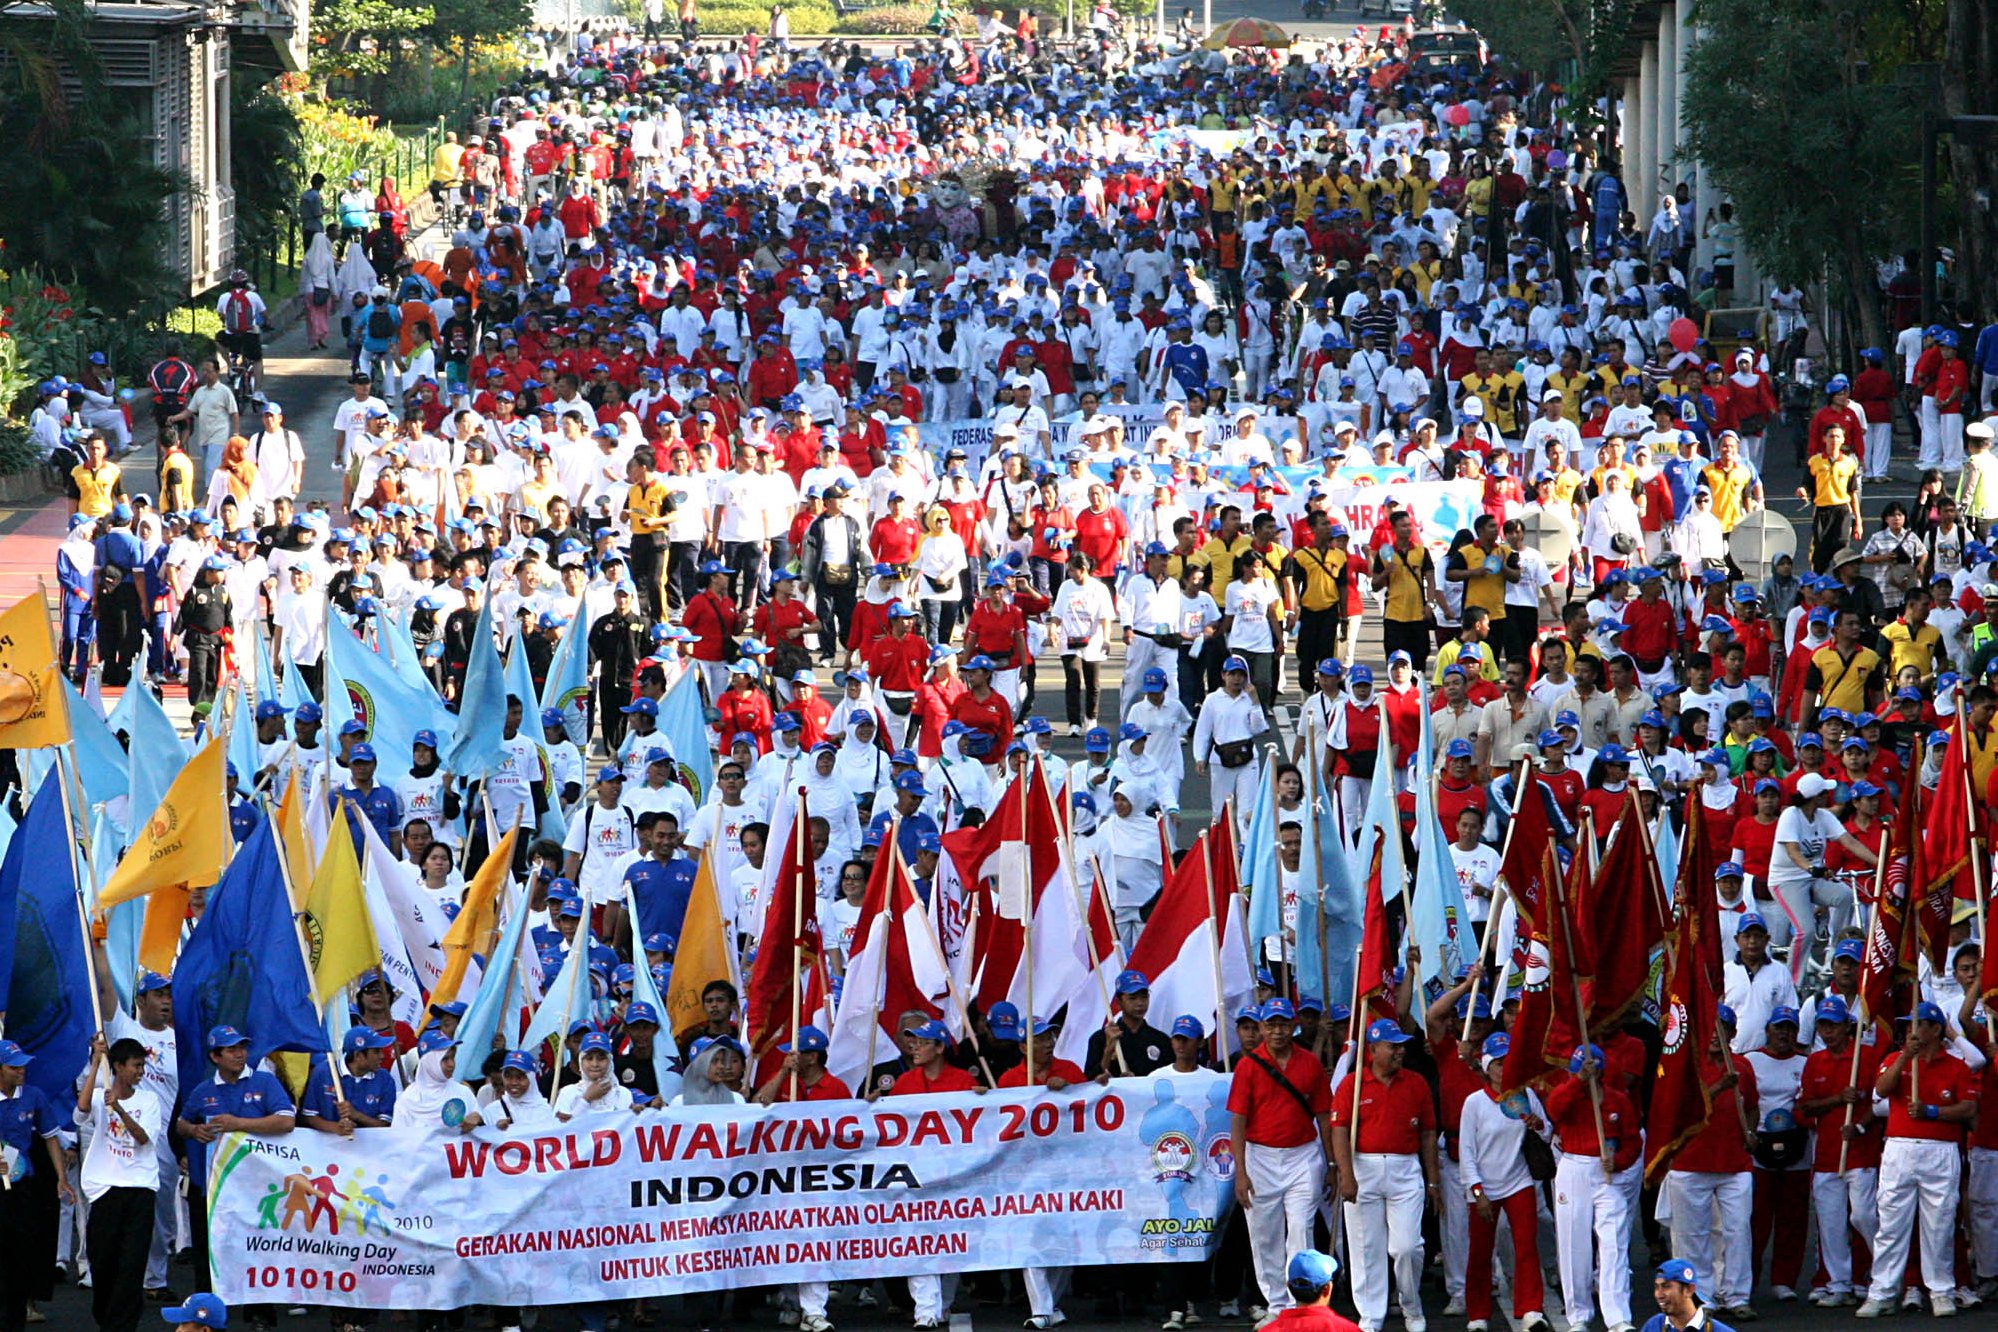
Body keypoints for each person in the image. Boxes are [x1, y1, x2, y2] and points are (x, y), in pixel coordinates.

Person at [1856, 1001, 1979, 1317]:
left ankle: (1941, 1291)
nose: (1911, 1030)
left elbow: (1968, 1109)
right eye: (1909, 1024)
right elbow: (1881, 1090)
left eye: (1918, 1024)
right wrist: (1906, 1057)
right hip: (1900, 1147)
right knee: (1891, 1223)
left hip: (1940, 1150)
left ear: (1936, 1029)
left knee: (1939, 1224)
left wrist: (1933, 1111)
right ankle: (1882, 1292)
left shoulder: (1956, 1067)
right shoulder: (1895, 1059)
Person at [1330, 1018, 1436, 1332]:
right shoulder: (1353, 1083)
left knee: (1407, 1247)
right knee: (1366, 1247)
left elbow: (1429, 1133)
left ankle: (1411, 1306)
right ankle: (1371, 1315)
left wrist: (1433, 1180)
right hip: (1364, 1166)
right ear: (1374, 1049)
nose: (1400, 1051)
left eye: (1402, 1045)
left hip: (1405, 1168)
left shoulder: (1416, 1082)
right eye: (1393, 1046)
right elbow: (1339, 1130)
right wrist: (1346, 1175)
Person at [1230, 1000, 1333, 1320]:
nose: (1277, 1031)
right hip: (1261, 1157)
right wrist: (1241, 1173)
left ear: (1294, 1026)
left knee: (1301, 1230)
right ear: (1261, 1028)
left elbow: (1324, 1117)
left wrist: (1331, 1164)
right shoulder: (1248, 1066)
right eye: (1271, 1025)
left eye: (1283, 1024)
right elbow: (1237, 1121)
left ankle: (1299, 1304)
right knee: (1264, 1235)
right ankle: (1276, 1305)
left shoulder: (1310, 1064)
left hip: (1302, 1156)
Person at [76, 1034, 166, 1332]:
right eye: (136, 1065)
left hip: (139, 1189)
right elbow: (81, 1111)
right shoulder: (102, 1095)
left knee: (131, 1265)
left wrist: (122, 1110)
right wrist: (94, 1062)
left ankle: (121, 1327)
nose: (141, 1072)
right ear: (118, 1066)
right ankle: (106, 1318)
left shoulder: (149, 1100)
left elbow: (142, 1138)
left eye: (142, 1066)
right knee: (102, 1264)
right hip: (104, 1189)